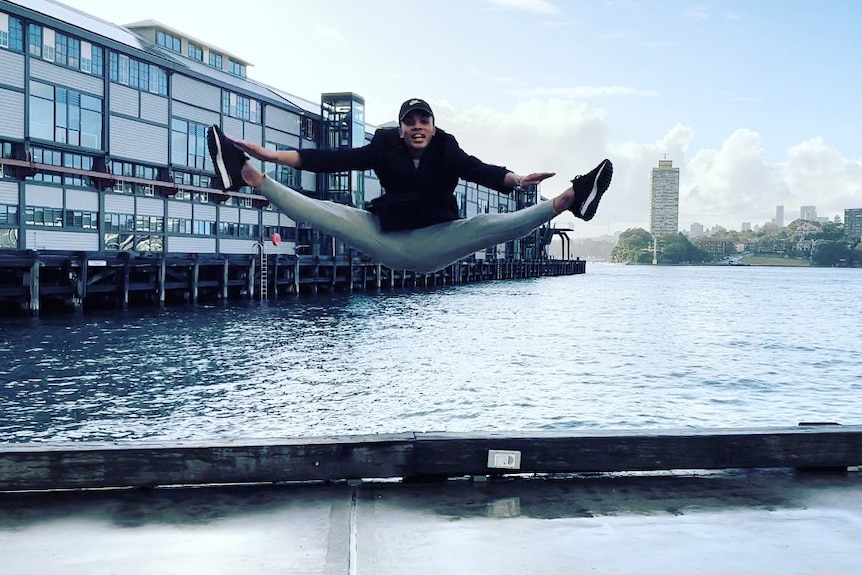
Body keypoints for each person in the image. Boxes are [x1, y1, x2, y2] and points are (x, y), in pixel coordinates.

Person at [207, 98, 612, 273]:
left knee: (485, 225)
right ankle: (247, 174)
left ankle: (572, 197)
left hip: (438, 239)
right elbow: (337, 160)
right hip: (391, 238)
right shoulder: (384, 147)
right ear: (401, 130)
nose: (417, 127)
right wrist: (273, 156)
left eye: (424, 121)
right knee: (331, 214)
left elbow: (478, 169)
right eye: (410, 122)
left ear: (433, 128)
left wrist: (517, 179)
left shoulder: (447, 149)